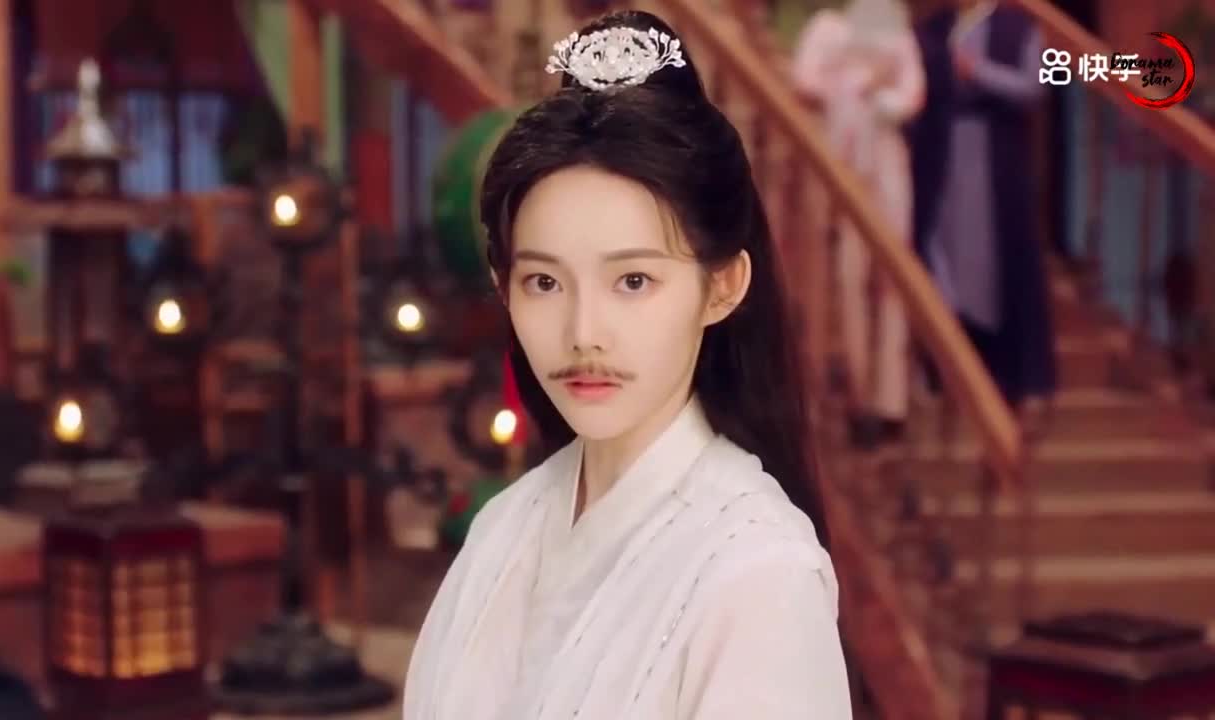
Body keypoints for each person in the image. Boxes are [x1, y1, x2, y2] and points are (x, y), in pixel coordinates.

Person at [403, 10, 851, 719]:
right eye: (544, 282)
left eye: (633, 281)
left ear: (722, 286)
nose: (584, 333)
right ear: (502, 286)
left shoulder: (758, 574)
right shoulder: (505, 527)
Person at [908, 0, 1058, 408]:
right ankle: (945, 363)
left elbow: (1035, 86)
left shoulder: (1019, 26)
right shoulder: (936, 26)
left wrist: (979, 72)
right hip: (939, 155)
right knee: (940, 252)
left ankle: (1003, 372)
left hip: (995, 157)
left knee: (990, 262)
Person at [791, 0, 925, 449]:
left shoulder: (898, 32)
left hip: (887, 165)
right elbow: (805, 80)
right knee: (850, 279)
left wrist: (874, 91)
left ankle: (891, 401)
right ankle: (858, 393)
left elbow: (911, 96)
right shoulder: (828, 27)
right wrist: (861, 82)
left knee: (892, 283)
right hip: (843, 166)